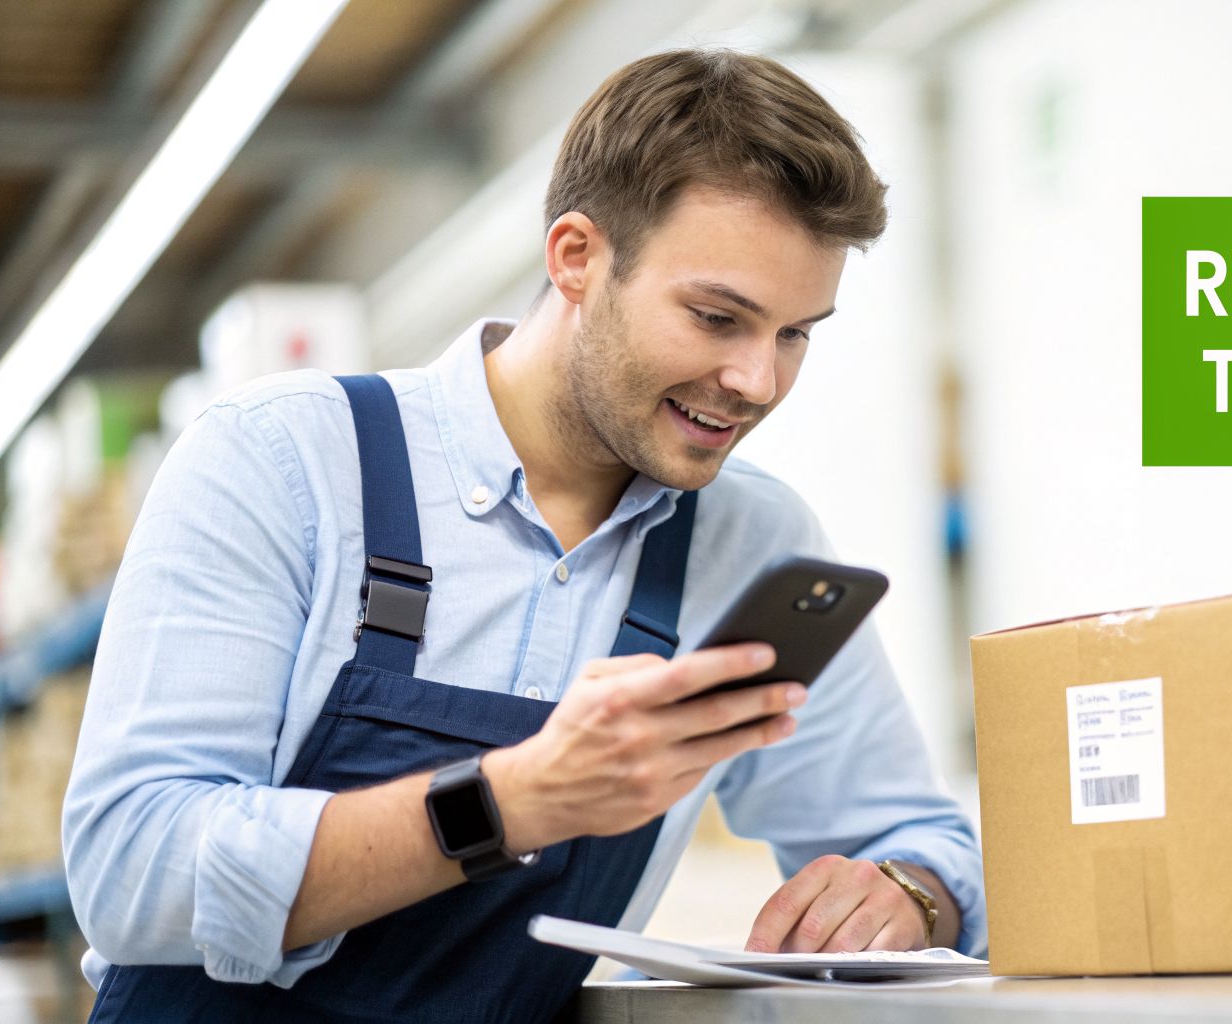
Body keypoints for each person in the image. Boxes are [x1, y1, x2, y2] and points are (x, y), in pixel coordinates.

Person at [61, 48, 984, 1021]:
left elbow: (916, 835)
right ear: (576, 256)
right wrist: (507, 802)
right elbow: (134, 869)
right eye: (717, 317)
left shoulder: (750, 540)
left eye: (795, 332)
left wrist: (908, 892)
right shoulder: (281, 461)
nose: (757, 380)